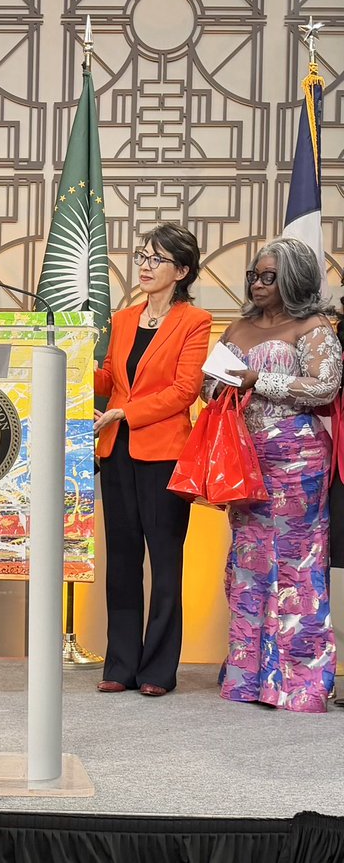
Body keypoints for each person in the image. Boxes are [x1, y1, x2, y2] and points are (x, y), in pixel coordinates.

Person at [212, 237, 340, 713]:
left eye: (269, 276)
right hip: (244, 461)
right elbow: (209, 386)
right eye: (254, 275)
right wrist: (217, 385)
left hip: (297, 459)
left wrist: (257, 379)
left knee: (296, 565)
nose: (258, 284)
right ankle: (249, 677)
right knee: (248, 564)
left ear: (294, 280)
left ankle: (300, 682)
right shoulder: (237, 326)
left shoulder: (313, 327)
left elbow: (325, 386)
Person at [93, 223, 211, 697]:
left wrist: (127, 411)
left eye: (156, 259)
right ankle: (120, 665)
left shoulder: (195, 321)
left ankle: (159, 669)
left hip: (164, 452)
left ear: (181, 271)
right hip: (116, 449)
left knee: (164, 561)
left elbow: (185, 390)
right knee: (121, 559)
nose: (144, 266)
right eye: (142, 256)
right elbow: (111, 378)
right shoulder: (123, 319)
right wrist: (78, 365)